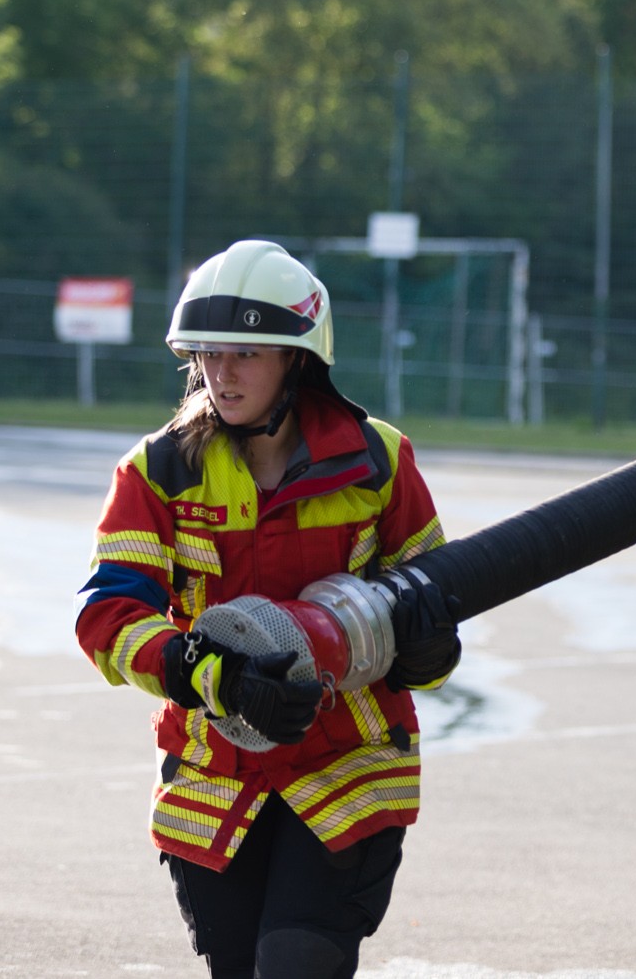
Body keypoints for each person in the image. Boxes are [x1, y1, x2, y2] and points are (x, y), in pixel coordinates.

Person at [74, 240, 461, 978]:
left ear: (297, 360)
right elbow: (109, 617)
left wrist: (430, 650)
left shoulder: (376, 461)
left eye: (247, 352)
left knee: (297, 962)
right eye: (210, 353)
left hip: (346, 771)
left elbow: (436, 592)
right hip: (216, 782)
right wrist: (209, 673)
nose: (222, 372)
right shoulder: (159, 473)